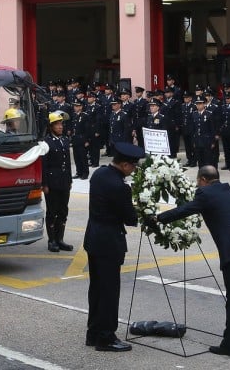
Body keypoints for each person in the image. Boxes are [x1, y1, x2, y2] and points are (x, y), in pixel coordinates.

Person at [156, 165, 230, 357]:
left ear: (203, 179)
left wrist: (158, 218)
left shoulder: (205, 193)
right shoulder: (226, 189)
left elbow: (186, 210)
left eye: (198, 181)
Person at [83, 140, 145, 352]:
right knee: (109, 292)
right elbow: (129, 218)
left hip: (94, 239)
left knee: (97, 290)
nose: (133, 170)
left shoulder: (99, 174)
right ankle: (106, 337)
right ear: (126, 165)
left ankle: (93, 333)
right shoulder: (119, 186)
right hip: (109, 243)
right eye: (133, 167)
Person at [42, 111, 73, 252]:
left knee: (63, 211)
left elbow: (67, 163)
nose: (60, 127)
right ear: (51, 127)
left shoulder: (65, 140)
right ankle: (52, 240)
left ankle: (60, 239)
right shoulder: (46, 143)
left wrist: (70, 179)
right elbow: (44, 165)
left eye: (61, 124)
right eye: (57, 124)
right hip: (52, 182)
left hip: (64, 181)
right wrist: (45, 184)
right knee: (52, 211)